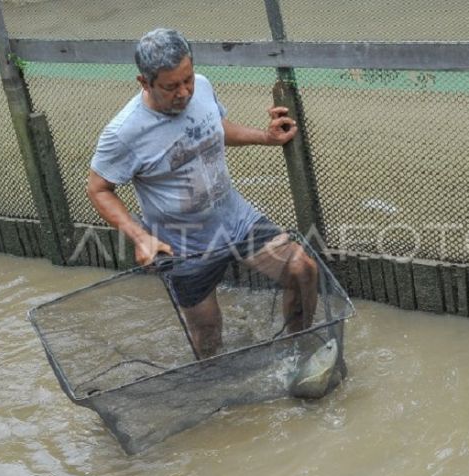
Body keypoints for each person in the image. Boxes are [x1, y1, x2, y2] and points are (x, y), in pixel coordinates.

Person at [86, 28, 318, 359]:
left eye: (188, 80)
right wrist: (140, 238)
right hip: (184, 245)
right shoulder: (123, 133)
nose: (184, 92)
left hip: (236, 221)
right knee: (207, 335)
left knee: (302, 268)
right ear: (144, 82)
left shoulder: (203, 87)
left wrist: (265, 137)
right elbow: (98, 189)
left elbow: (216, 128)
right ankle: (215, 385)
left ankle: (301, 352)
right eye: (171, 87)